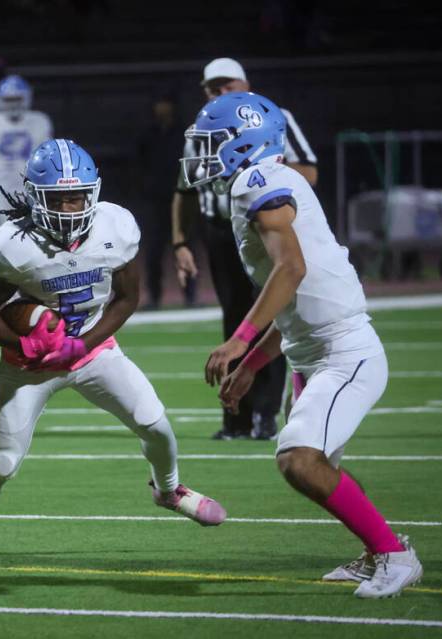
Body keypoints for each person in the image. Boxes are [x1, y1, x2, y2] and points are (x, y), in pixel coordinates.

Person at [0, 139, 225, 562]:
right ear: (36, 197)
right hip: (30, 365)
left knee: (157, 426)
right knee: (1, 462)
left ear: (94, 193)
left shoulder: (116, 227)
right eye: (59, 199)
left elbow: (128, 298)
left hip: (93, 349)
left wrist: (81, 345)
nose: (71, 209)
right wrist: (22, 342)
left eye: (78, 198)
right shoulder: (17, 245)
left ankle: (168, 490)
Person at [183, 92, 422, 598]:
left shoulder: (258, 178)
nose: (202, 154)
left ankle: (394, 556)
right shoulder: (261, 182)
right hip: (311, 350)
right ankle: (379, 550)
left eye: (213, 143)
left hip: (342, 351)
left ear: (244, 140)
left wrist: (238, 340)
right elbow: (294, 297)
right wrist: (253, 362)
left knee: (298, 459)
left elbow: (292, 268)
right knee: (322, 466)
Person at [171, 58, 317, 441]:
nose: (219, 93)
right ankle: (237, 417)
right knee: (236, 316)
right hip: (223, 229)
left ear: (245, 83)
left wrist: (258, 175)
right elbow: (184, 190)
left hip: (264, 223)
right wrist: (180, 241)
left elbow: (308, 172)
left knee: (271, 311)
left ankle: (265, 415)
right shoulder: (204, 123)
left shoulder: (272, 118)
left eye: (227, 84)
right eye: (212, 87)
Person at [0, 74, 53, 241]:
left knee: (35, 235)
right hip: (0, 186)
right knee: (0, 236)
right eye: (9, 100)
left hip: (33, 185)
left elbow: (48, 160)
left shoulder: (40, 121)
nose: (14, 104)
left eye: (17, 99)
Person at [136, 95, 195, 309]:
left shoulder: (183, 133)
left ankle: (191, 296)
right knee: (153, 252)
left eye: (166, 102)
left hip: (179, 198)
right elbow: (138, 163)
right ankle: (154, 297)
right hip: (155, 201)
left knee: (186, 247)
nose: (162, 106)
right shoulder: (147, 133)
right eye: (159, 102)